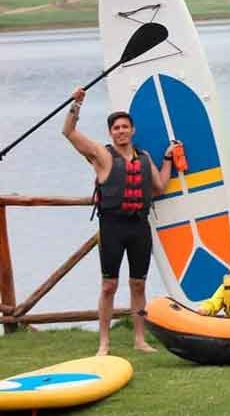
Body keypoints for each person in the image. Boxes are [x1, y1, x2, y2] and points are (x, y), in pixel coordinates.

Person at [62, 87, 174, 355]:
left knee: (138, 284)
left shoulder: (144, 158)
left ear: (133, 130)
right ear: (111, 132)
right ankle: (104, 342)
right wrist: (76, 104)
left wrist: (168, 159)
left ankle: (140, 339)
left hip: (139, 227)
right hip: (112, 227)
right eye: (116, 128)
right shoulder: (102, 155)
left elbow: (159, 187)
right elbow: (69, 132)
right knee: (108, 285)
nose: (121, 131)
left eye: (125, 127)